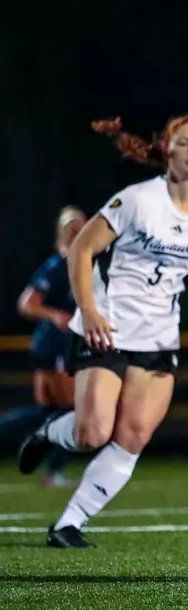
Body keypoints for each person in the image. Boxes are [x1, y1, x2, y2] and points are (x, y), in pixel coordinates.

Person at [17, 117, 188, 548]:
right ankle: (49, 432)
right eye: (184, 143)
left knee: (132, 437)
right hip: (108, 326)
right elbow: (81, 249)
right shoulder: (137, 200)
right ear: (167, 150)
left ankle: (68, 524)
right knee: (91, 433)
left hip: (158, 338)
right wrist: (90, 311)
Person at [0, 207, 89, 488]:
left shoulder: (83, 264)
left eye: (81, 228)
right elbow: (26, 304)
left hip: (61, 346)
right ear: (63, 233)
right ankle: (56, 472)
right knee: (70, 411)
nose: (78, 233)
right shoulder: (56, 266)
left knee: (46, 413)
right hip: (52, 345)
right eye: (72, 229)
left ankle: (54, 471)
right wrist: (54, 315)